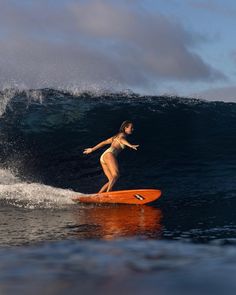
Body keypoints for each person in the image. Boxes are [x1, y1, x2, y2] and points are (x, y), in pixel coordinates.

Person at [83, 120, 139, 193]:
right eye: (131, 127)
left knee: (111, 179)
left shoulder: (115, 136)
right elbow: (121, 140)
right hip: (110, 154)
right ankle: (108, 193)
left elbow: (104, 142)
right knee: (116, 175)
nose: (132, 129)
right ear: (125, 128)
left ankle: (98, 195)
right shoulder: (122, 135)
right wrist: (130, 145)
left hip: (104, 156)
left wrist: (92, 149)